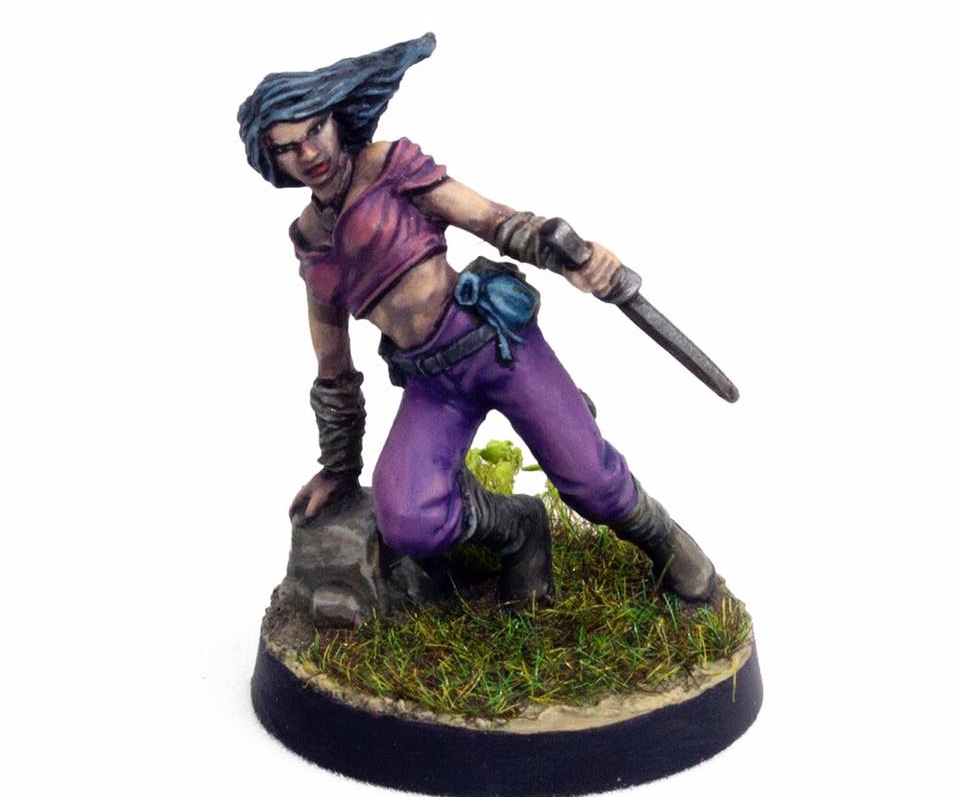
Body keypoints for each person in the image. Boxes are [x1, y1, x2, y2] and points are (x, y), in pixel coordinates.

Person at [238, 33, 716, 605]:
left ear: (337, 120)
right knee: (409, 518)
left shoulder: (387, 166)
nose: (308, 152)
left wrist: (576, 259)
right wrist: (339, 467)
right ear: (273, 160)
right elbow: (332, 364)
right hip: (432, 381)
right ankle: (519, 530)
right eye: (288, 147)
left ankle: (664, 540)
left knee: (591, 482)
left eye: (315, 129)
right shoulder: (311, 239)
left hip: (496, 343)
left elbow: (491, 220)